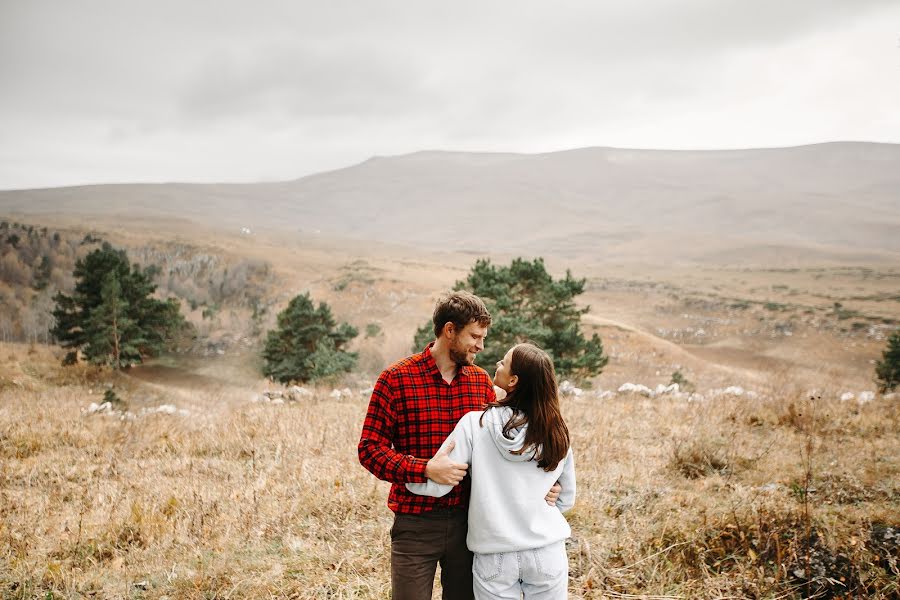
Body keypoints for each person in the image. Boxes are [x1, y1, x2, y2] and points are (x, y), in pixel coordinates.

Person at [358, 292, 561, 600]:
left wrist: (543, 483)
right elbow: (370, 449)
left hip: (473, 525)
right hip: (415, 524)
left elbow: (516, 443)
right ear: (449, 330)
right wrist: (424, 469)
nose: (481, 346)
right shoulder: (396, 379)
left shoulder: (481, 383)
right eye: (475, 337)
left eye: (483, 337)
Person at [407, 343, 576, 600]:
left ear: (513, 380)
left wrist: (411, 475)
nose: (496, 364)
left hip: (494, 554)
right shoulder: (556, 429)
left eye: (503, 362)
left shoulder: (475, 423)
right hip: (546, 551)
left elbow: (440, 485)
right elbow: (565, 498)